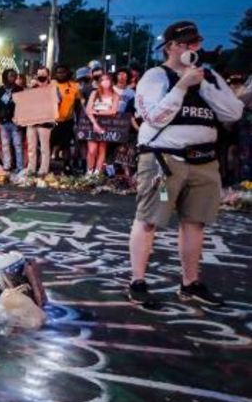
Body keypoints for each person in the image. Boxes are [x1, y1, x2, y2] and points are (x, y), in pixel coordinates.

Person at [127, 21, 244, 306]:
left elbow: (233, 111)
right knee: (149, 219)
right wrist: (181, 86)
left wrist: (202, 83)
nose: (193, 48)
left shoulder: (210, 77)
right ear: (170, 47)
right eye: (186, 43)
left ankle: (190, 283)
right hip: (164, 161)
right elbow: (153, 117)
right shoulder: (156, 76)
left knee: (195, 223)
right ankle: (137, 281)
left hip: (204, 161)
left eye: (196, 43)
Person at [83, 73, 121, 175]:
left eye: (107, 79)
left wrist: (99, 112)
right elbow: (88, 110)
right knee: (92, 150)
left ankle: (97, 173)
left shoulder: (115, 95)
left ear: (111, 81)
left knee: (102, 149)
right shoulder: (94, 93)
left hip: (107, 124)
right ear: (99, 82)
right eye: (103, 80)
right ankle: (89, 171)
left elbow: (113, 111)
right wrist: (95, 123)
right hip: (92, 123)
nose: (105, 82)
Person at [51, 64, 81, 174]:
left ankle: (67, 166)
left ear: (67, 73)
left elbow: (77, 105)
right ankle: (46, 166)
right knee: (49, 144)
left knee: (66, 145)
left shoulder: (74, 86)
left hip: (67, 121)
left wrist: (77, 121)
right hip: (52, 121)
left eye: (63, 72)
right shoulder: (51, 85)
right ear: (55, 74)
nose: (61, 74)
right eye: (58, 72)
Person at [26, 67, 55, 176]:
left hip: (45, 122)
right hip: (32, 120)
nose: (41, 76)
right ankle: (31, 168)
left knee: (44, 147)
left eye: (43, 74)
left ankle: (43, 170)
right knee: (31, 147)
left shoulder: (52, 87)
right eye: (39, 74)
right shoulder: (33, 87)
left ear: (48, 76)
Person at [0, 70, 24, 172]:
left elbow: (23, 106)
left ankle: (20, 167)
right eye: (10, 76)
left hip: (15, 122)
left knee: (18, 145)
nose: (13, 78)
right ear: (5, 77)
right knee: (5, 145)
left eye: (14, 76)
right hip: (3, 122)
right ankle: (7, 165)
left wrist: (20, 119)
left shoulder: (19, 89)